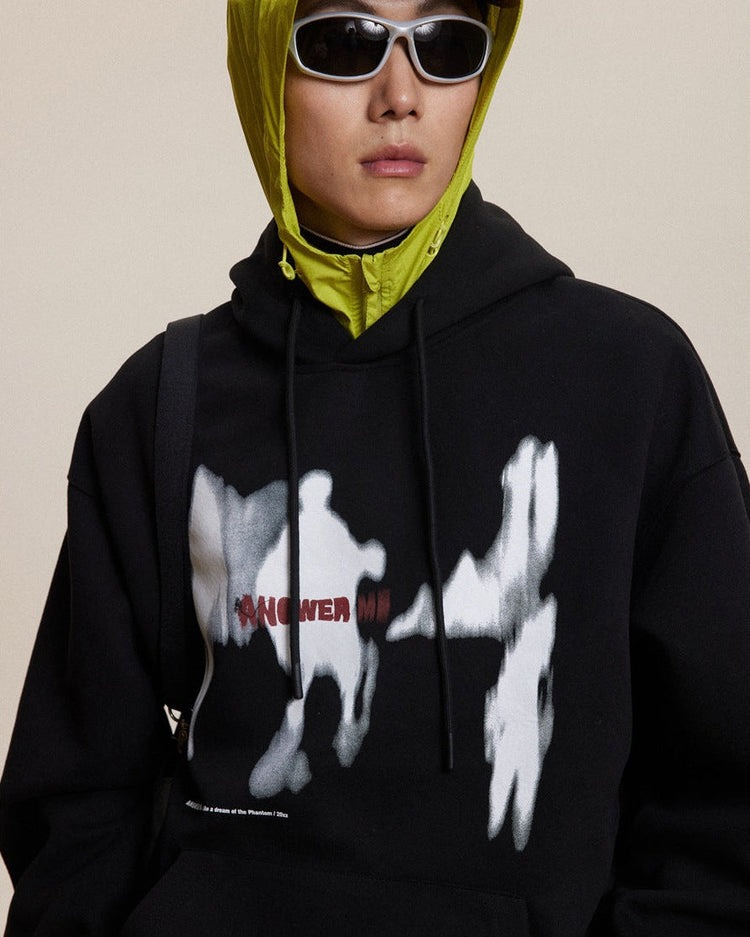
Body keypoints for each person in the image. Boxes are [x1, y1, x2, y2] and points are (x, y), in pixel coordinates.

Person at [1, 0, 749, 934]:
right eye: (344, 43)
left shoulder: (628, 377)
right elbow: (75, 814)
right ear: (264, 68)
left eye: (446, 45)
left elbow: (727, 804)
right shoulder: (158, 405)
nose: (401, 95)